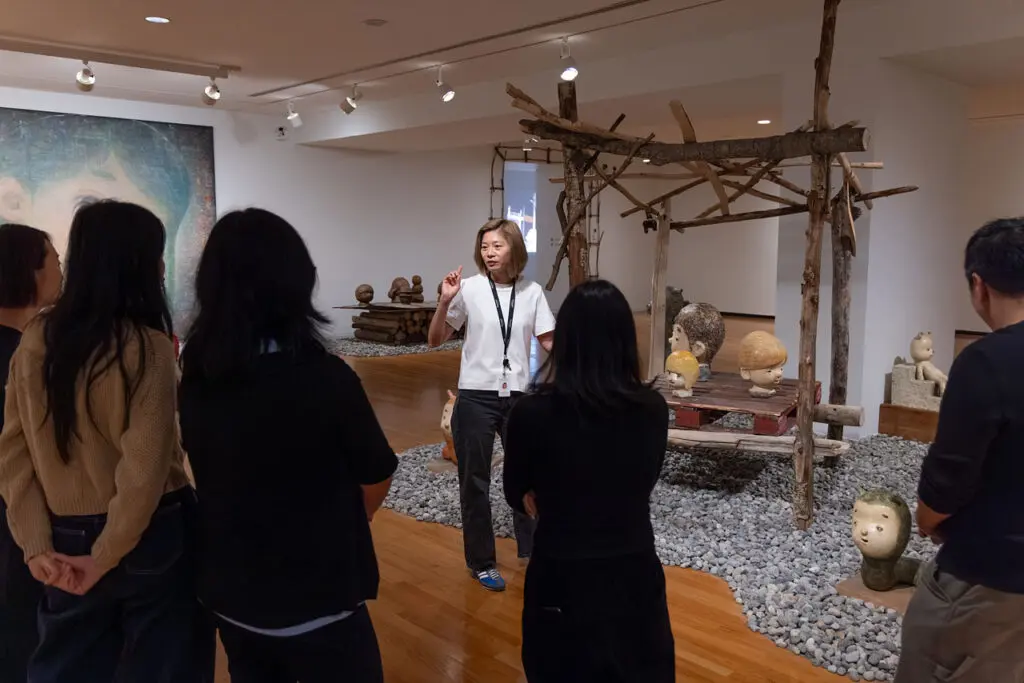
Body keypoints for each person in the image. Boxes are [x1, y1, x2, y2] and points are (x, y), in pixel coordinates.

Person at [178, 208, 397, 683]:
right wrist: (339, 526)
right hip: (320, 601)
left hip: (232, 594)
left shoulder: (196, 378)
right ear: (295, 283)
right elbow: (376, 473)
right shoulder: (327, 379)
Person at [0, 201, 212, 683]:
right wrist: (104, 556)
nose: (162, 268)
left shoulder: (36, 339)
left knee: (66, 664)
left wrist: (35, 544)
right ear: (134, 263)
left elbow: (12, 454)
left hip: (63, 533)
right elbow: (144, 471)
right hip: (153, 534)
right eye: (156, 255)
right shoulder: (150, 347)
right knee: (164, 665)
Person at [503, 279, 675, 683]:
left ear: (565, 340)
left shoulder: (531, 413)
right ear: (625, 340)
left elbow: (517, 491)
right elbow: (645, 478)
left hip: (561, 571)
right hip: (633, 569)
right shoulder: (652, 409)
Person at [895, 218, 1024, 683]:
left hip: (990, 574)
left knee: (935, 657)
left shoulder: (986, 362)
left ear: (979, 285)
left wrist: (928, 520)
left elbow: (947, 480)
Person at [427, 218, 555, 592]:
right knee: (474, 481)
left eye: (497, 246)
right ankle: (481, 562)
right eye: (484, 247)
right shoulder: (468, 289)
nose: (489, 253)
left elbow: (550, 341)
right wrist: (444, 301)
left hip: (519, 397)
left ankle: (534, 551)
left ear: (514, 248)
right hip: (475, 397)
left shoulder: (532, 292)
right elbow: (435, 339)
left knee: (529, 476)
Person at [0, 223, 62, 682]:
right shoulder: (25, 359)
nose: (61, 268)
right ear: (31, 271)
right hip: (19, 528)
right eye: (54, 259)